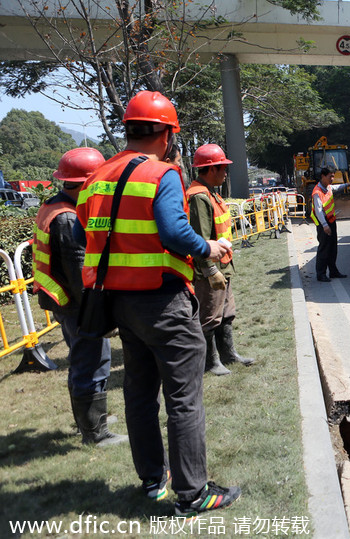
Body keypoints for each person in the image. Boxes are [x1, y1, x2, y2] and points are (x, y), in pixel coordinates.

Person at [74, 90, 241, 516]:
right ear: (167, 135)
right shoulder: (161, 174)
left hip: (119, 303)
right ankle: (193, 492)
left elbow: (82, 236)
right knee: (184, 396)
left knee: (140, 393)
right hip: (163, 301)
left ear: (128, 129)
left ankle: (153, 481)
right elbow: (173, 233)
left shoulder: (97, 177)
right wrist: (209, 246)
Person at [33, 147, 128, 448]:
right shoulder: (67, 218)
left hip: (62, 300)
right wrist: (100, 313)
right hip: (76, 303)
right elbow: (81, 275)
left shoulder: (55, 206)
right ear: (88, 182)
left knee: (83, 360)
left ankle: (90, 419)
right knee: (93, 360)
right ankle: (95, 432)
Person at [187, 144, 254, 376]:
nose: (226, 173)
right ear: (210, 169)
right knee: (209, 316)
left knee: (226, 313)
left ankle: (228, 354)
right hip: (211, 269)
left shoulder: (211, 192)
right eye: (222, 168)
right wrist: (210, 270)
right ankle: (210, 361)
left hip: (223, 265)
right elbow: (200, 238)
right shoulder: (198, 197)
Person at [312, 167, 350, 282]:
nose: (332, 179)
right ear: (323, 176)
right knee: (324, 248)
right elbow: (319, 211)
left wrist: (348, 185)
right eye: (330, 176)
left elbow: (337, 187)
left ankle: (333, 271)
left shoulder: (327, 187)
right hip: (323, 223)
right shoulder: (317, 192)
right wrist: (324, 225)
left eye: (333, 176)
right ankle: (321, 274)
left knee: (333, 248)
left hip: (331, 221)